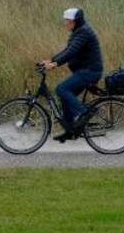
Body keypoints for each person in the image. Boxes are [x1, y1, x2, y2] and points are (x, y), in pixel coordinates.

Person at [41, 8, 104, 142]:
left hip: (90, 71)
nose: (65, 23)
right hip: (85, 71)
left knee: (61, 89)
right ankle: (70, 131)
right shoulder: (78, 32)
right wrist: (52, 60)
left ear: (75, 21)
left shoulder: (84, 33)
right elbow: (67, 50)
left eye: (68, 21)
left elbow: (72, 52)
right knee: (65, 96)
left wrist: (55, 64)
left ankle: (85, 113)